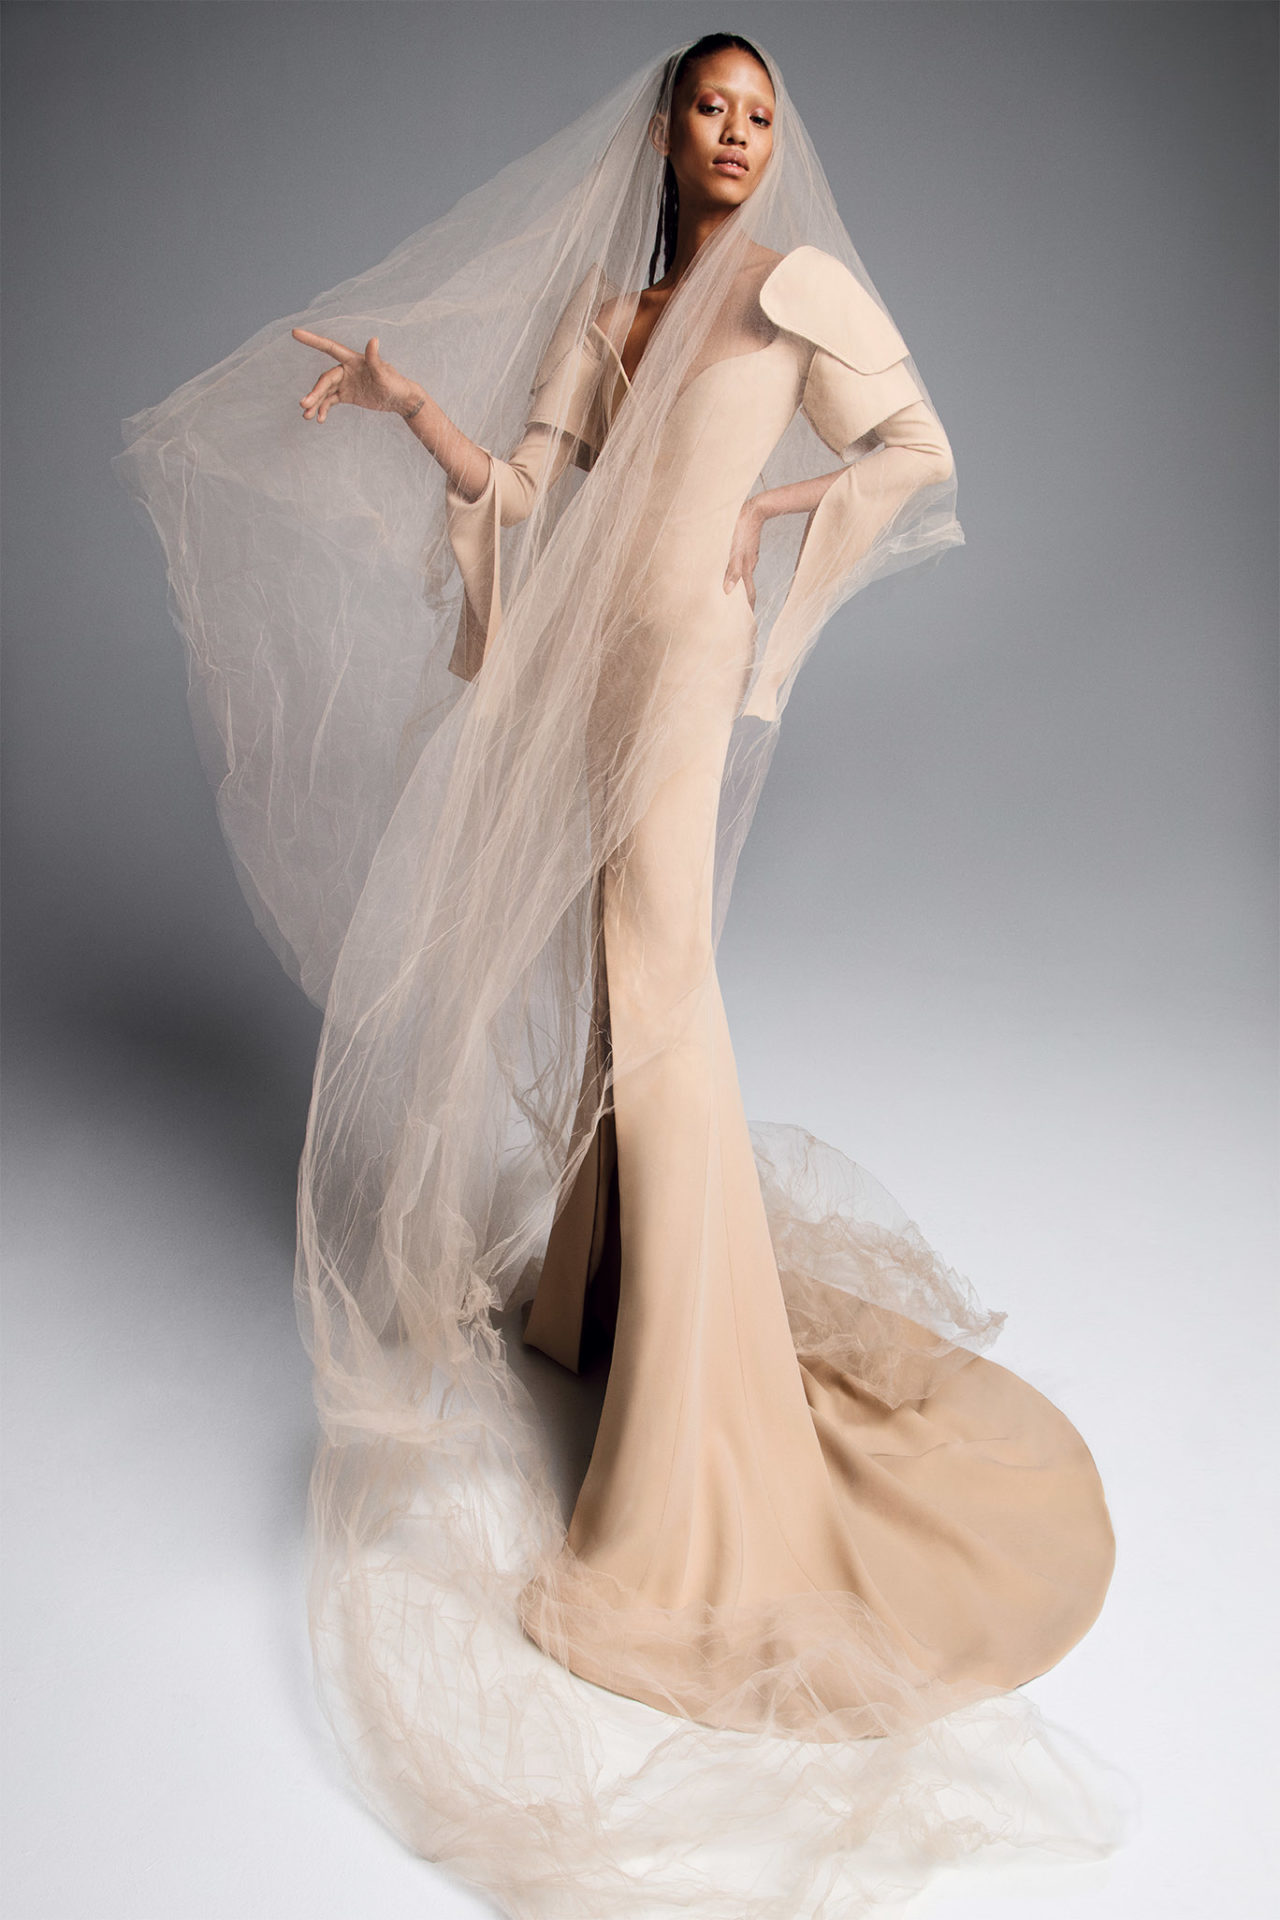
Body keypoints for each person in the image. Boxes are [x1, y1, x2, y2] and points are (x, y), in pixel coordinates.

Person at [115, 33, 1126, 1918]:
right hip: (595, 665)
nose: (737, 135)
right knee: (612, 977)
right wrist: (416, 410)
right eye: (710, 109)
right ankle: (604, 1304)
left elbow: (915, 452)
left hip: (681, 665)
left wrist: (773, 517)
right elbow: (528, 496)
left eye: (761, 115)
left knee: (660, 987)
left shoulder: (794, 292)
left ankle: (695, 1433)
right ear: (664, 127)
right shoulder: (617, 309)